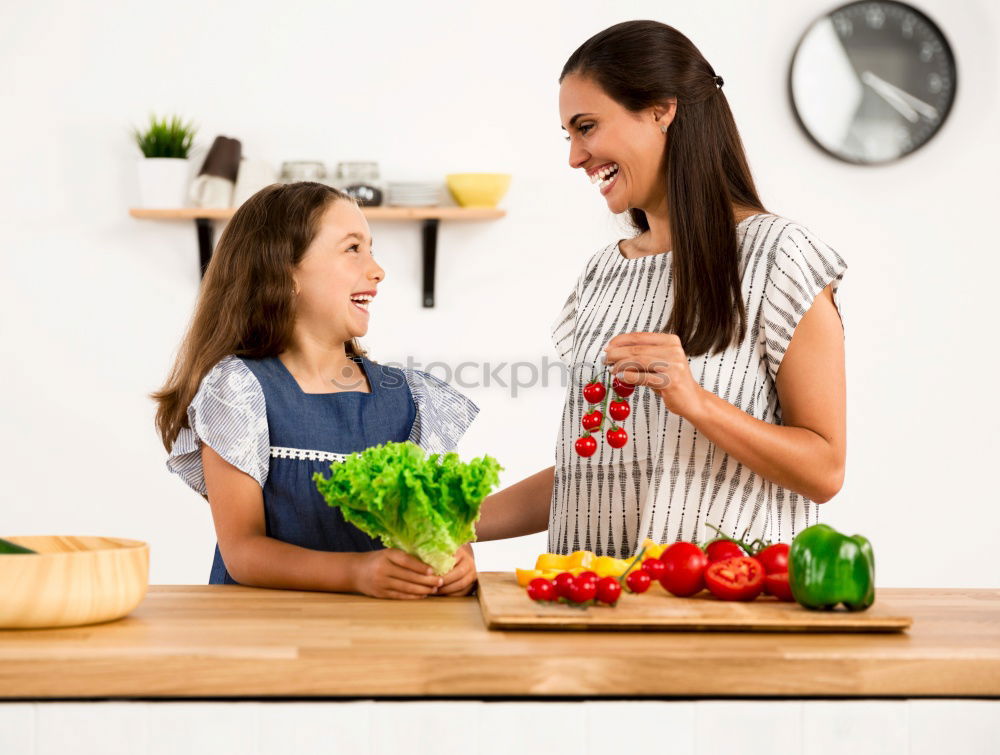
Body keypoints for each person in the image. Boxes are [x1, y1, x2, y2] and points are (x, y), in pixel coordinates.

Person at [477, 20, 847, 557]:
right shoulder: (601, 276)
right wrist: (447, 520)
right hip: (592, 605)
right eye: (570, 135)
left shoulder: (779, 255)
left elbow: (824, 469)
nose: (575, 157)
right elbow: (592, 474)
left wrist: (695, 401)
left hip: (724, 612)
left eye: (586, 127)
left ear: (660, 110)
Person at [152, 182, 479, 598]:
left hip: (387, 639)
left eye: (371, 249)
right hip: (267, 638)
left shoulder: (412, 398)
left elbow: (445, 528)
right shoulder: (238, 391)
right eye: (352, 249)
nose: (377, 270)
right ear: (285, 270)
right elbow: (243, 551)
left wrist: (457, 562)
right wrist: (358, 573)